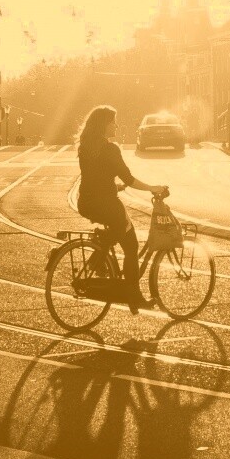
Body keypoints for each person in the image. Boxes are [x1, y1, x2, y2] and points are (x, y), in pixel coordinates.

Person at [75, 105, 167, 314]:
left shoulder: (86, 146)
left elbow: (94, 176)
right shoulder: (110, 149)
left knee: (118, 235)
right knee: (131, 246)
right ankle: (133, 295)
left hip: (87, 203)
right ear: (104, 125)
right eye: (113, 122)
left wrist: (113, 185)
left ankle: (101, 249)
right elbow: (129, 179)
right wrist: (153, 187)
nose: (116, 126)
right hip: (107, 204)